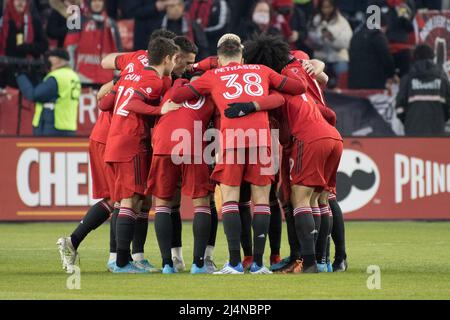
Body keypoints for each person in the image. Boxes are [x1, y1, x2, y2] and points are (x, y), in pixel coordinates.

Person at [171, 33, 306, 274]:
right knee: (262, 201)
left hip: (231, 139)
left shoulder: (212, 75)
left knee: (231, 200)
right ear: (242, 57)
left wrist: (187, 81)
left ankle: (234, 263)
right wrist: (263, 99)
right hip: (263, 138)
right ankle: (259, 264)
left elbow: (177, 96)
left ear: (220, 59)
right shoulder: (262, 70)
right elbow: (298, 87)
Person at [104, 37, 180, 273]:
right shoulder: (152, 79)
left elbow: (105, 101)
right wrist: (160, 110)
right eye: (175, 59)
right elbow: (134, 103)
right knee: (132, 199)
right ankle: (122, 262)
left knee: (127, 200)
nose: (176, 64)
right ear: (167, 58)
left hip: (116, 138)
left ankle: (122, 259)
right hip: (131, 141)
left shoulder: (131, 74)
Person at [16, 48, 81, 136]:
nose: (47, 60)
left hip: (53, 126)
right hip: (69, 125)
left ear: (58, 59)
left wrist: (20, 75)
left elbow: (33, 95)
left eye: (50, 57)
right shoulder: (73, 76)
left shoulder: (57, 76)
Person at [396, 44, 450, 136]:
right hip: (437, 132)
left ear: (414, 58)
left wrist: (409, 122)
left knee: (413, 151)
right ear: (433, 58)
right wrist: (440, 120)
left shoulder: (407, 79)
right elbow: (448, 108)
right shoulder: (442, 80)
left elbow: (399, 108)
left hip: (412, 132)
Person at [64, 0, 122, 85]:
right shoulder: (78, 21)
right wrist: (71, 71)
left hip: (107, 78)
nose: (97, 3)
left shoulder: (111, 24)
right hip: (82, 77)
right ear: (89, 3)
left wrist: (117, 74)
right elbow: (70, 48)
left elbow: (118, 49)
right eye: (94, 1)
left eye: (100, 1)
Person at [0, 0, 48, 87]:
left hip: (26, 71)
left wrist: (28, 47)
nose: (21, 3)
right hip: (4, 70)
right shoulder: (2, 21)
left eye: (24, 0)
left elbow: (44, 45)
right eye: (17, 0)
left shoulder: (33, 21)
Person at [308, 0, 353, 86]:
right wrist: (320, 38)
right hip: (320, 56)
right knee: (314, 73)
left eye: (329, 7)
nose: (326, 10)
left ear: (334, 7)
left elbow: (347, 42)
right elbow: (310, 38)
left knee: (342, 69)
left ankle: (342, 92)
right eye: (324, 7)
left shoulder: (342, 22)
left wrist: (332, 38)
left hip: (338, 57)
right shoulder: (315, 21)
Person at [348, 13, 396, 89]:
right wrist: (392, 75)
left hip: (353, 84)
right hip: (374, 85)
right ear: (383, 26)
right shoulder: (378, 36)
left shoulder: (355, 36)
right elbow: (387, 60)